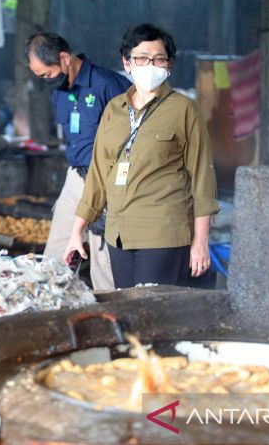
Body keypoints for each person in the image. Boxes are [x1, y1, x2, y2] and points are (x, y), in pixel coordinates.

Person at [64, 24, 219, 288]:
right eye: (142, 58)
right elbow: (98, 177)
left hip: (163, 234)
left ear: (169, 65)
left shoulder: (184, 110)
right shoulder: (114, 109)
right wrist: (76, 231)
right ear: (127, 63)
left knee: (156, 318)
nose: (150, 65)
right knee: (129, 315)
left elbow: (203, 179)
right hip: (119, 235)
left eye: (159, 59)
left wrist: (200, 242)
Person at [24, 33, 130, 291]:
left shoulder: (108, 85)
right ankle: (52, 310)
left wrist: (114, 191)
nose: (46, 81)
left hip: (106, 178)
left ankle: (113, 316)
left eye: (46, 75)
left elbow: (131, 141)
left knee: (103, 260)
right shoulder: (60, 92)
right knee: (55, 256)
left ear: (63, 57)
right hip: (76, 177)